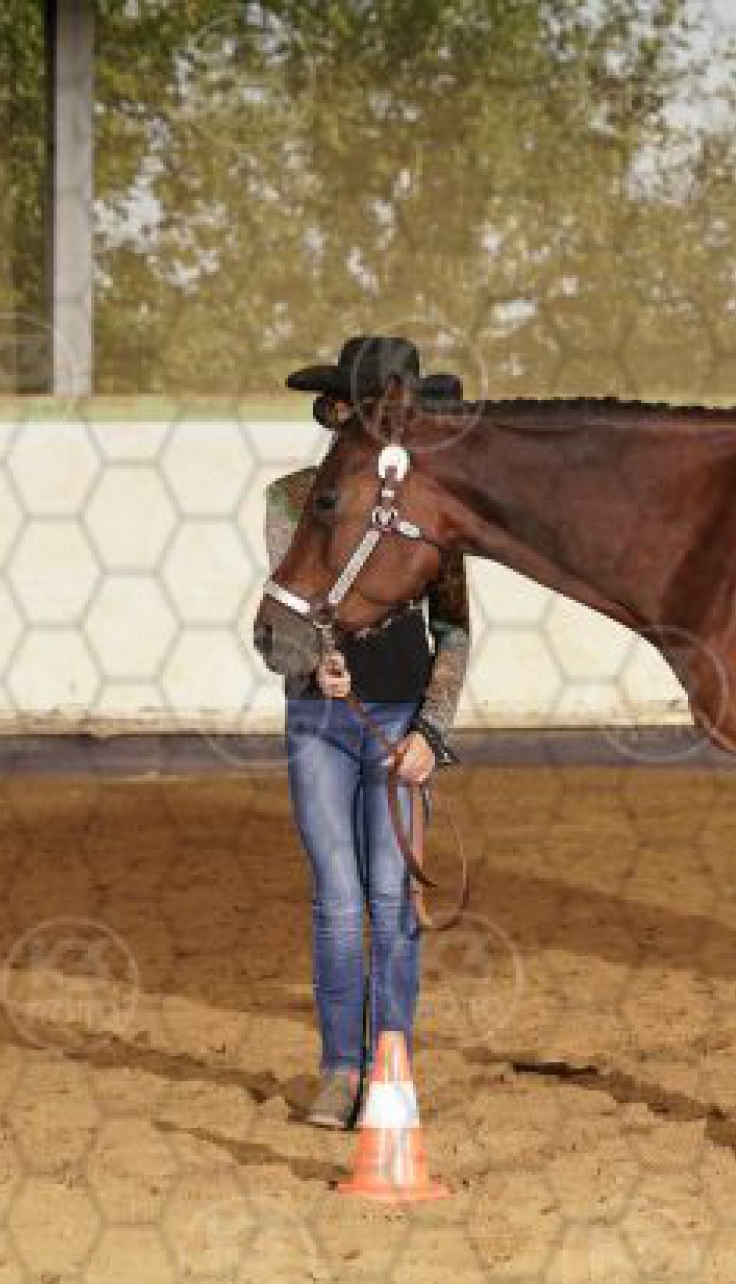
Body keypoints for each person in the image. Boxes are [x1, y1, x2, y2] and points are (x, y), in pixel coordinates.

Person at [266, 335, 471, 1129]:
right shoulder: (294, 498)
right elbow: (291, 616)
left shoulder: (435, 513)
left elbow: (453, 628)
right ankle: (339, 1070)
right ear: (339, 412)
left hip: (396, 722)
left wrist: (431, 731)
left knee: (391, 897)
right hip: (319, 720)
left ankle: (390, 1067)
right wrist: (315, 661)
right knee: (339, 900)